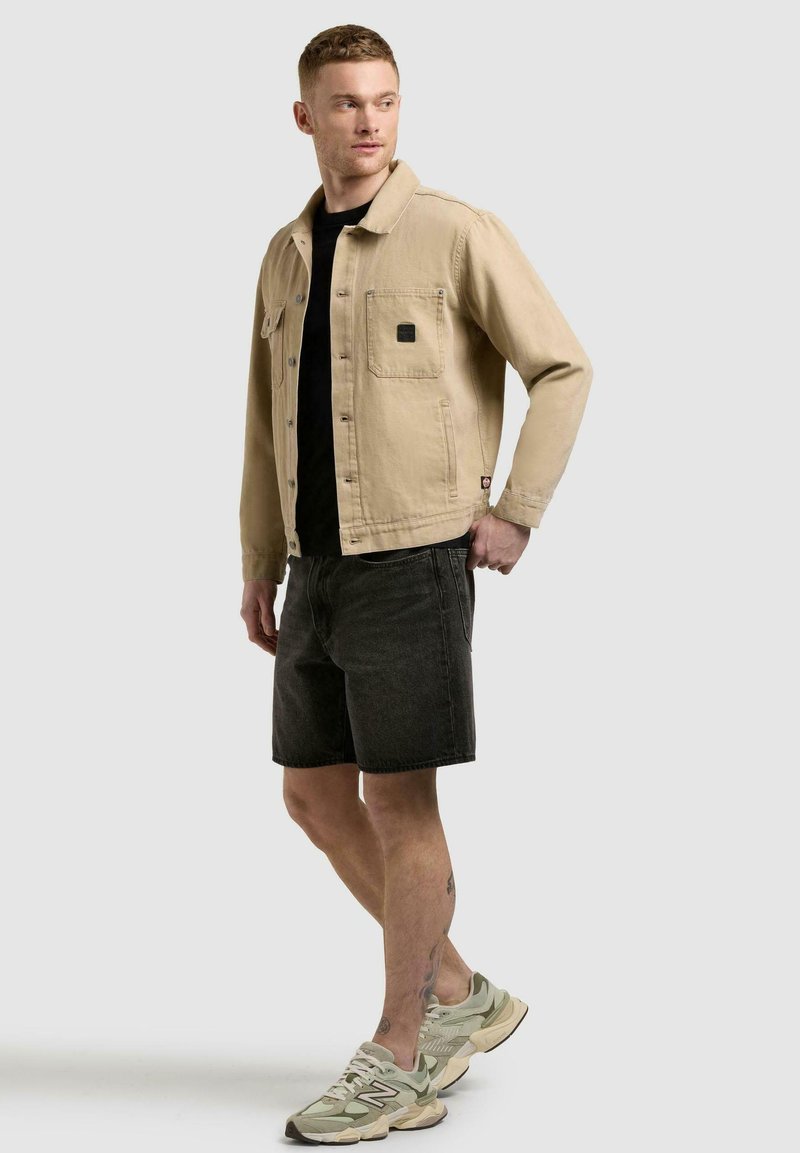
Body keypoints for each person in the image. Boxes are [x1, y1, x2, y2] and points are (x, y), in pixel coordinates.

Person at [239, 23, 593, 1145]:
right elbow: (263, 420)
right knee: (311, 793)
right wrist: (259, 558)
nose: (368, 120)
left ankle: (400, 1054)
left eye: (384, 100)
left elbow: (563, 365)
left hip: (413, 562)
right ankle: (459, 990)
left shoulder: (452, 232)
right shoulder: (285, 254)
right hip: (316, 565)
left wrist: (516, 510)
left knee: (400, 805)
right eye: (345, 102)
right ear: (305, 116)